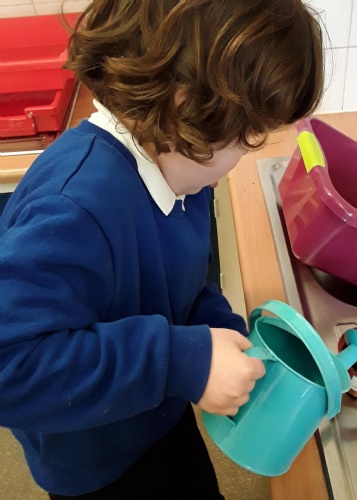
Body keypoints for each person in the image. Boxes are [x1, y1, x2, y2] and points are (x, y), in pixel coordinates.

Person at [0, 0, 324, 498]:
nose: (241, 159)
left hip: (154, 407)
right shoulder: (76, 208)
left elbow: (179, 281)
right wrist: (180, 361)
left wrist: (216, 333)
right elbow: (11, 366)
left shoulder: (182, 165)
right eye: (247, 140)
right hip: (95, 458)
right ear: (184, 107)